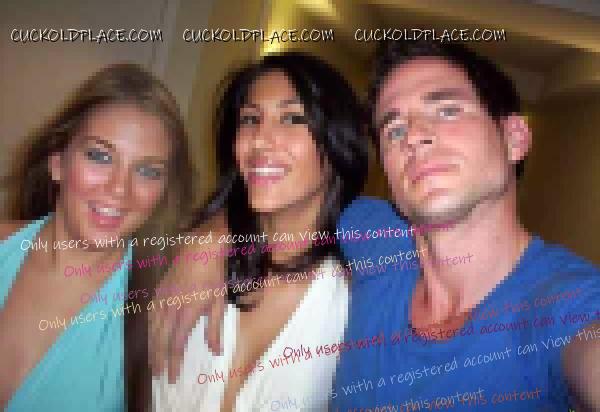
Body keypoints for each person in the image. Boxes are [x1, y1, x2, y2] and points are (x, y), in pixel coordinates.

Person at [330, 40, 600, 411]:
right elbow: (294, 200)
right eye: (394, 130)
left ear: (514, 139)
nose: (413, 136)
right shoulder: (377, 234)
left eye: (447, 110)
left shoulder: (565, 304)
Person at [150, 52, 371, 411]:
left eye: (293, 118)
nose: (260, 141)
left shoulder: (356, 295)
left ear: (336, 142)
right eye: (250, 119)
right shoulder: (188, 258)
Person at [0, 63, 193, 411]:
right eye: (100, 156)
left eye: (147, 171)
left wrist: (217, 236)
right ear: (57, 162)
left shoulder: (164, 301)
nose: (119, 189)